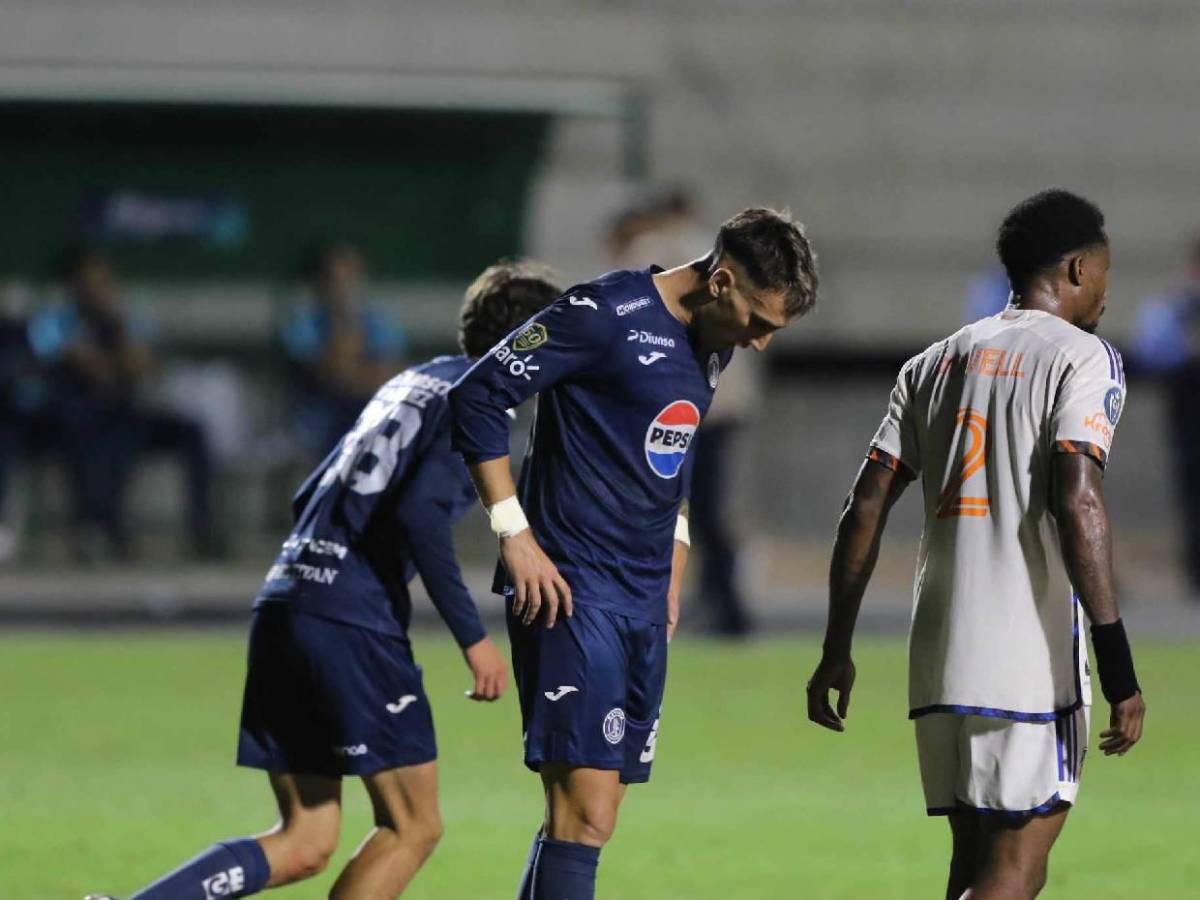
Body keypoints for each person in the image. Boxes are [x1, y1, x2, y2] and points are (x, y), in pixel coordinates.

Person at [85, 261, 560, 900]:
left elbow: (312, 490)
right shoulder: (475, 406)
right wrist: (474, 638)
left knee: (305, 839)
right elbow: (422, 518)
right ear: (530, 342)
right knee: (413, 825)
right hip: (348, 621)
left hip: (286, 598)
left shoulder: (410, 381)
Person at [449, 208, 819, 900]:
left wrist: (674, 563)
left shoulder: (717, 337)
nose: (762, 343)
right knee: (583, 813)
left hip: (643, 596)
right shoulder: (601, 312)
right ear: (723, 279)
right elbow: (476, 397)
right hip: (570, 588)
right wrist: (514, 533)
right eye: (760, 321)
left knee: (594, 816)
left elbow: (666, 454)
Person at [806, 189, 1146, 899]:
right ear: (1079, 269)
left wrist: (837, 648)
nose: (1108, 294)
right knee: (1015, 869)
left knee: (973, 861)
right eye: (1106, 275)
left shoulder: (934, 362)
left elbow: (862, 507)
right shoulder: (1085, 359)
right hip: (1028, 656)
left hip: (939, 655)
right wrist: (1118, 666)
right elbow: (1078, 499)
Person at [607, 188, 761, 636]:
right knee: (705, 509)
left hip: (680, 405)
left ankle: (708, 605)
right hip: (722, 403)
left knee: (671, 506)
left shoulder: (654, 252)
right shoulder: (717, 250)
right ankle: (721, 604)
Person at [27, 247, 214, 561]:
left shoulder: (126, 317)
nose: (96, 290)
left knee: (189, 433)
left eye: (103, 282)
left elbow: (142, 365)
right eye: (88, 283)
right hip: (64, 420)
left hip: (124, 414)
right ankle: (96, 528)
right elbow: (90, 367)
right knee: (96, 432)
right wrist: (114, 366)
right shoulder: (54, 321)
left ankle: (201, 530)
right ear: (74, 285)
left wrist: (117, 329)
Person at [281, 242, 407, 459]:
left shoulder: (380, 322)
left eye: (349, 277)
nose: (342, 287)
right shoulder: (304, 325)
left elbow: (395, 377)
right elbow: (334, 377)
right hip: (320, 425)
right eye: (334, 279)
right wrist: (342, 323)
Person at [1131, 234, 1200, 595]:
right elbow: (1150, 352)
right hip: (1188, 410)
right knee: (1191, 491)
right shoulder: (1173, 309)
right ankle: (1195, 576)